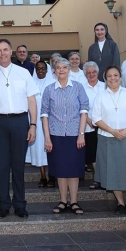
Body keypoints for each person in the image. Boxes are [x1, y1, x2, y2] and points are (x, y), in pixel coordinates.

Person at [0, 39, 39, 219]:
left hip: (21, 121)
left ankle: (20, 204)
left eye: (5, 50)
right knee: (2, 166)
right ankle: (4, 204)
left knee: (18, 166)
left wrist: (33, 125)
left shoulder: (23, 73)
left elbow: (32, 101)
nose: (2, 53)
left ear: (11, 51)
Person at [90, 66, 126, 216]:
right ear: (106, 79)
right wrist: (113, 131)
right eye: (109, 76)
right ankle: (120, 203)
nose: (113, 78)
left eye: (115, 75)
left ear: (120, 77)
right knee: (112, 171)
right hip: (108, 138)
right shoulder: (101, 96)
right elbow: (96, 118)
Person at [41, 58, 89, 215]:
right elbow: (44, 114)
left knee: (74, 169)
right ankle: (63, 201)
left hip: (75, 134)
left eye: (64, 67)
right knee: (61, 170)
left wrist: (81, 134)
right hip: (56, 134)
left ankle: (74, 202)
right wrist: (47, 138)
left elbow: (84, 111)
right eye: (58, 68)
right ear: (54, 71)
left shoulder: (78, 87)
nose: (61, 70)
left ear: (69, 70)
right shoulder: (49, 89)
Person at [26, 61, 54, 188]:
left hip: (51, 121)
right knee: (39, 149)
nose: (41, 71)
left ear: (47, 70)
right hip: (36, 121)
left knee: (52, 149)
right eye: (38, 69)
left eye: (43, 68)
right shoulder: (31, 83)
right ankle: (43, 176)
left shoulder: (53, 83)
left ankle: (52, 176)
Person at [81, 62, 105, 189]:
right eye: (88, 72)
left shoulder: (105, 86)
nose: (91, 74)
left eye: (93, 72)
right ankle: (98, 179)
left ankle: (107, 178)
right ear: (85, 74)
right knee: (94, 153)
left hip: (106, 126)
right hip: (89, 126)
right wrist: (90, 121)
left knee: (105, 153)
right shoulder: (81, 88)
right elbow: (80, 108)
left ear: (97, 72)